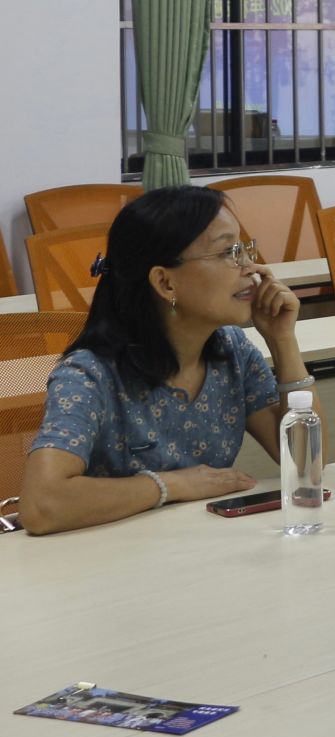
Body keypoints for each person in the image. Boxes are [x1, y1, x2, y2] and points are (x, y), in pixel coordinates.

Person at [19, 186, 315, 535]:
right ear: (165, 283)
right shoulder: (89, 375)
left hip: (194, 544)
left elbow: (307, 463)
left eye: (244, 249)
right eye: (227, 252)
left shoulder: (232, 351)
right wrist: (172, 485)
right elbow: (42, 505)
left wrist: (282, 341)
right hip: (108, 555)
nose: (251, 268)